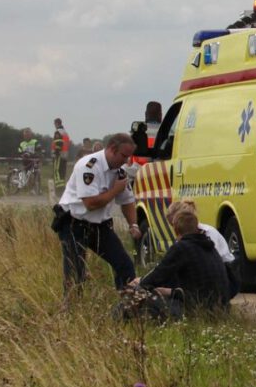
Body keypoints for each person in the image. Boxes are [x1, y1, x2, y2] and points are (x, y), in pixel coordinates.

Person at [53, 132, 142, 295]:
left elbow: (128, 200)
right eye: (124, 155)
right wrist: (115, 190)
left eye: (129, 157)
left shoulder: (119, 170)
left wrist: (133, 224)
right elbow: (91, 203)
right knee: (75, 274)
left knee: (124, 265)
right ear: (112, 149)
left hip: (100, 226)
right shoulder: (89, 166)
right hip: (74, 223)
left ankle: (129, 306)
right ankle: (71, 311)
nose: (126, 161)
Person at [124, 201, 230, 317]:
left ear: (176, 230)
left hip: (198, 309)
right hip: (220, 308)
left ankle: (116, 320)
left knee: (143, 300)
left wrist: (140, 284)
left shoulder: (182, 247)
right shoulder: (209, 246)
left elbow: (158, 274)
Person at [51, 117, 72, 186]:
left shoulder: (58, 132)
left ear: (57, 123)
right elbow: (67, 144)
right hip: (64, 155)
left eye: (54, 124)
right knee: (62, 172)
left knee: (57, 171)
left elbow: (58, 143)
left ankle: (58, 188)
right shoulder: (65, 132)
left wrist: (56, 153)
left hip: (59, 155)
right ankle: (62, 187)